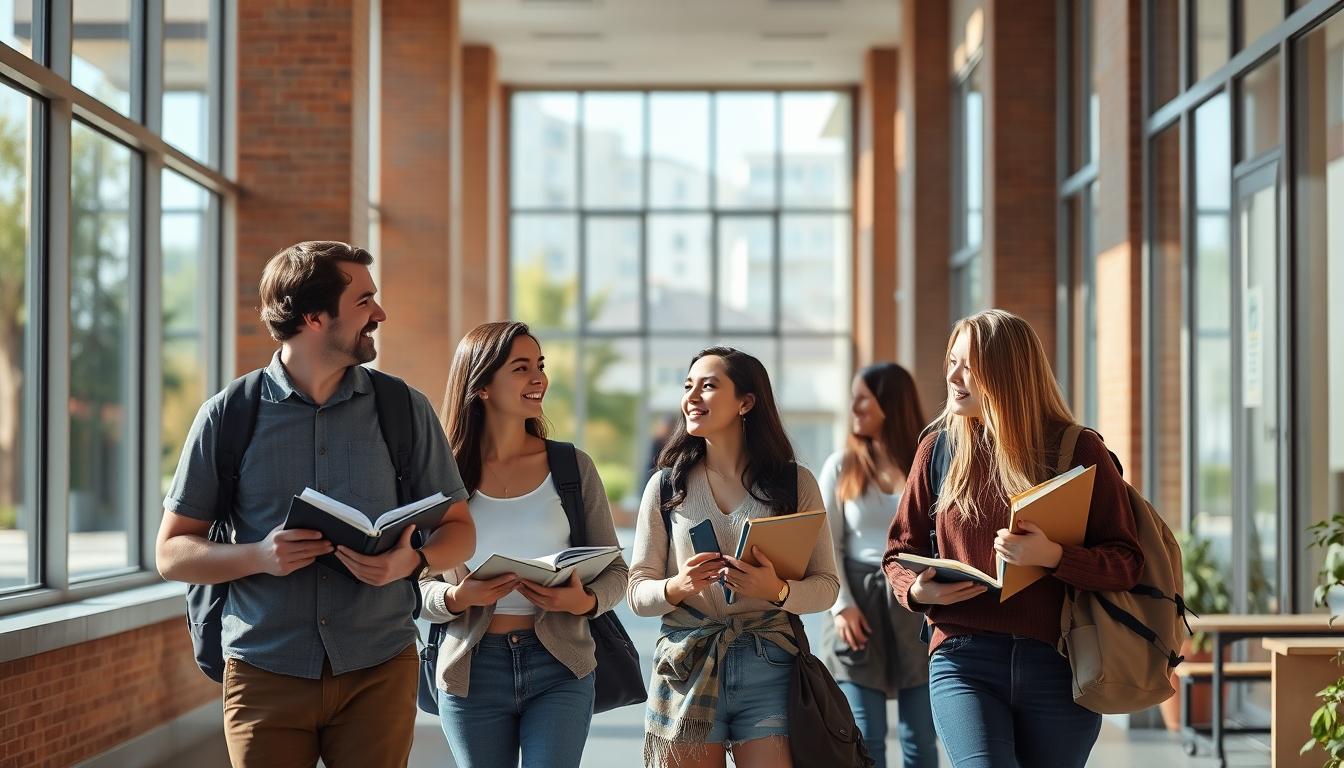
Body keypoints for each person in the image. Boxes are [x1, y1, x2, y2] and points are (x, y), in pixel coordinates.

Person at [156, 241, 475, 768]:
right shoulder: (228, 416)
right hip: (264, 670)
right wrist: (259, 556)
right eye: (364, 301)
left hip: (378, 665)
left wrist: (410, 561)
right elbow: (172, 553)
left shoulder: (403, 409)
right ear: (313, 317)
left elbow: (459, 529)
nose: (380, 314)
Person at [883, 309, 1144, 768]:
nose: (953, 376)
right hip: (962, 657)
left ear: (1006, 371)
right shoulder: (937, 447)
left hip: (1059, 662)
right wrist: (917, 590)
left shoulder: (1077, 450)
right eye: (951, 361)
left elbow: (1126, 561)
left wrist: (1054, 556)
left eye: (969, 365)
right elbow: (898, 553)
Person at [419, 321, 629, 768]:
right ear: (482, 387)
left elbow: (617, 571)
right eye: (521, 368)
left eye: (540, 366)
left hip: (560, 664)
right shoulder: (442, 474)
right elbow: (414, 582)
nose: (539, 379)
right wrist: (455, 597)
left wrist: (585, 601)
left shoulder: (572, 466)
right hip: (471, 669)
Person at [627, 346, 840, 768]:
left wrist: (776, 590)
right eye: (688, 386)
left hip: (770, 665)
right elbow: (637, 590)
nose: (691, 397)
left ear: (746, 402)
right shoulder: (666, 487)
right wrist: (677, 586)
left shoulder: (795, 484)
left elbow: (826, 587)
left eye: (708, 386)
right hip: (686, 664)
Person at [818, 363, 939, 768]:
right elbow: (826, 544)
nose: (853, 407)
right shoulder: (840, 466)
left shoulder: (930, 463)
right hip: (857, 608)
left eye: (862, 397)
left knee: (920, 737)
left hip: (916, 604)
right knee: (865, 738)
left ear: (890, 403)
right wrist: (841, 606)